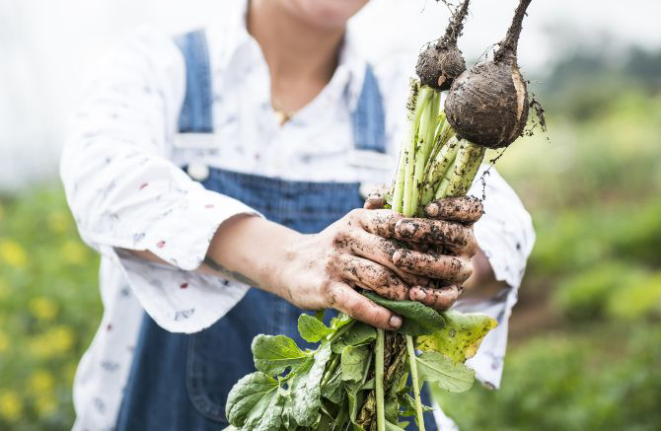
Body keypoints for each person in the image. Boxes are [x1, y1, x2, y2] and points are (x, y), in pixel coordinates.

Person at [61, 0, 534, 429]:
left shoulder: (400, 93)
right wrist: (291, 259)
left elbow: (506, 232)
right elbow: (104, 177)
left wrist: (440, 260)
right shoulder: (158, 67)